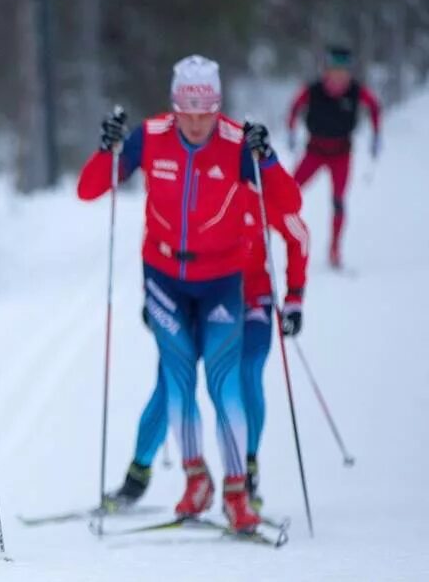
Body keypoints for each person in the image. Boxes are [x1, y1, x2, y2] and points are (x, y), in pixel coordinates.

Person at [77, 55, 299, 533]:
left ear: (218, 107)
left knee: (225, 385)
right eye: (187, 110)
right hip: (164, 281)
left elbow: (289, 204)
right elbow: (89, 190)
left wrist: (269, 158)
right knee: (177, 383)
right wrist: (107, 149)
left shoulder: (237, 143)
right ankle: (196, 479)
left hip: (222, 280)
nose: (197, 122)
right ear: (174, 105)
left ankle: (237, 491)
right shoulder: (151, 136)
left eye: (207, 111)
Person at [106, 179, 308, 513]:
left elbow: (298, 234)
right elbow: (158, 242)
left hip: (250, 302)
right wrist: (153, 296)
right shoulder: (194, 188)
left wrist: (295, 298)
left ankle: (246, 473)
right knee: (172, 383)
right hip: (197, 299)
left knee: (246, 375)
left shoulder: (255, 188)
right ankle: (137, 475)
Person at [287, 45, 381, 268]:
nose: (338, 78)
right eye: (333, 72)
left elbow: (375, 107)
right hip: (315, 151)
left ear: (349, 73)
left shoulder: (356, 91)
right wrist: (291, 131)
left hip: (341, 154)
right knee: (288, 190)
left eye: (343, 73)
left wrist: (376, 136)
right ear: (325, 71)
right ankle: (265, 237)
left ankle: (335, 251)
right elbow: (295, 106)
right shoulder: (313, 90)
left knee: (338, 201)